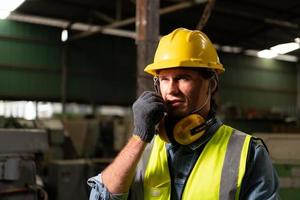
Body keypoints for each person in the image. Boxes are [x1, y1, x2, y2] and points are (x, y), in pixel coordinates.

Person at [87, 28, 280, 200]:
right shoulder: (142, 150)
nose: (171, 89)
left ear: (211, 85)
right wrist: (139, 137)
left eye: (183, 78)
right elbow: (101, 197)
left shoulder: (247, 153)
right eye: (164, 79)